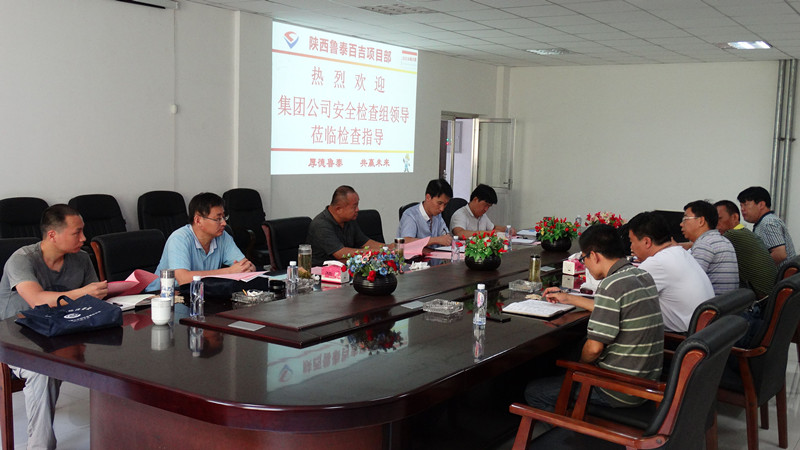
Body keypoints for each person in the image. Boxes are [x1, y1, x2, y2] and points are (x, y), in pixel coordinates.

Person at [0, 204, 108, 449]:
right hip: (16, 340)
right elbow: (36, 299)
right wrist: (83, 293)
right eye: (77, 232)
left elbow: (95, 299)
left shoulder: (81, 258)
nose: (84, 238)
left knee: (113, 353)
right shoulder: (21, 259)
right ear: (52, 235)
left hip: (61, 333)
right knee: (43, 369)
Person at [524, 224, 663, 412]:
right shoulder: (642, 275)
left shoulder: (611, 285)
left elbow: (594, 349)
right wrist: (568, 298)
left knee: (534, 391)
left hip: (618, 389)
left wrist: (579, 369)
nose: (585, 265)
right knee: (573, 351)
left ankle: (569, 428)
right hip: (647, 382)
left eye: (583, 259)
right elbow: (617, 307)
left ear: (594, 256)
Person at [146, 192, 255, 291]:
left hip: (200, 293)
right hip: (163, 296)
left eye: (224, 217)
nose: (224, 223)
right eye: (218, 219)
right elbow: (183, 279)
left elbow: (248, 266)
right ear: (198, 220)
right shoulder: (179, 239)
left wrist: (247, 268)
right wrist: (229, 271)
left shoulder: (222, 236)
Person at [627, 211, 714, 333]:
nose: (631, 247)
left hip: (681, 338)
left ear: (647, 242)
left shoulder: (657, 263)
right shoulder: (680, 252)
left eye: (632, 241)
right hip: (706, 333)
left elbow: (624, 299)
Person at [306, 185, 387, 266]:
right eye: (354, 206)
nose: (357, 210)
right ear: (338, 209)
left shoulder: (349, 220)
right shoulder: (321, 225)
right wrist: (373, 252)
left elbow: (364, 242)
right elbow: (340, 253)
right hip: (322, 270)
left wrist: (387, 248)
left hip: (345, 268)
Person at [714, 200, 777, 299]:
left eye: (719, 219)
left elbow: (707, 245)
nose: (715, 224)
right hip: (770, 296)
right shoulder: (744, 232)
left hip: (759, 301)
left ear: (735, 217)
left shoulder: (732, 235)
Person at [680, 200, 739, 295]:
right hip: (726, 302)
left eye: (685, 219)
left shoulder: (704, 244)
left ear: (701, 221)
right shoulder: (722, 240)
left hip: (713, 303)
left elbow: (689, 282)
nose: (681, 224)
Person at [737, 186, 796, 270]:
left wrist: (754, 268)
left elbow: (780, 254)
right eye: (741, 206)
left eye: (746, 205)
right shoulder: (763, 222)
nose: (742, 209)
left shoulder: (768, 222)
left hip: (782, 276)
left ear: (761, 205)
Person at [397, 179, 453, 246]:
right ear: (428, 197)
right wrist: (436, 240)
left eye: (445, 204)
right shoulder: (410, 215)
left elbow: (445, 235)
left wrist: (448, 239)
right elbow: (406, 241)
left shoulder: (438, 215)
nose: (442, 209)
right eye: (439, 203)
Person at [450, 184, 516, 239]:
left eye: (489, 207)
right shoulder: (460, 214)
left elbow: (493, 228)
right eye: (485, 205)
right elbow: (460, 233)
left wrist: (506, 229)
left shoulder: (482, 215)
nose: (486, 209)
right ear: (475, 199)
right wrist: (487, 233)